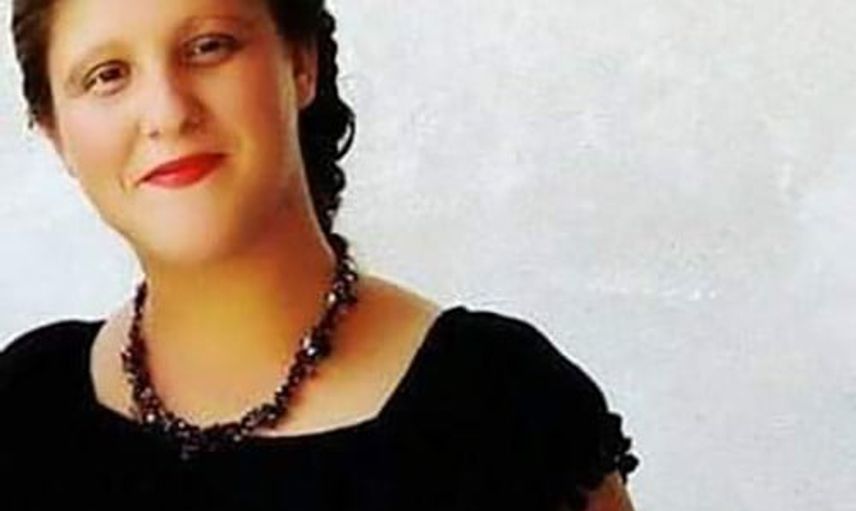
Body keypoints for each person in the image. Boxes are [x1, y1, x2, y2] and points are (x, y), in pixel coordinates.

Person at [1, 0, 639, 509]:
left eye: (209, 46)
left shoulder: (501, 411)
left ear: (300, 61)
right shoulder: (26, 410)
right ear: (55, 132)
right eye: (107, 75)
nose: (167, 112)